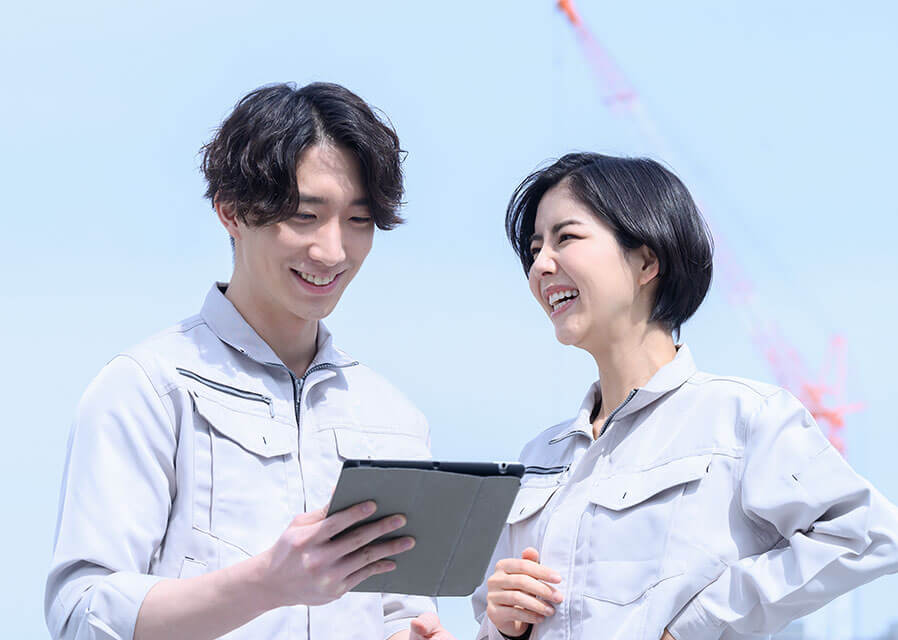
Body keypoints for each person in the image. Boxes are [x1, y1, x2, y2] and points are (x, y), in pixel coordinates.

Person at [45, 82, 447, 640]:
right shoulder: (150, 388)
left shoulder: (394, 418)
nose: (333, 251)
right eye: (304, 216)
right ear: (230, 212)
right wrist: (266, 583)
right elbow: (80, 614)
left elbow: (401, 613)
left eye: (358, 220)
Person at [468, 153, 898, 639]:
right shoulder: (538, 457)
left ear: (646, 261)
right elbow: (493, 617)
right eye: (535, 248)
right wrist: (502, 625)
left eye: (565, 238)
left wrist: (698, 624)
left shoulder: (741, 420)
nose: (541, 265)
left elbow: (865, 533)